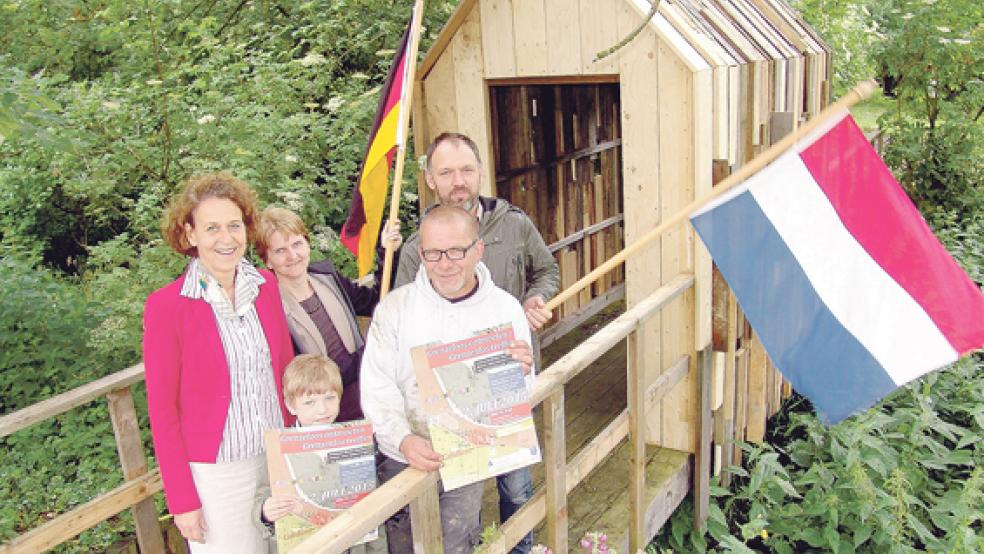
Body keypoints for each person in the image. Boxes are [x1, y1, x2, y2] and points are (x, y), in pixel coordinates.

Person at [394, 132, 559, 553]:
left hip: (509, 384)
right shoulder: (417, 249)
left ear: (481, 172)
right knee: (462, 498)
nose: (458, 181)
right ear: (430, 178)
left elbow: (547, 270)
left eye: (466, 169)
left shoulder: (515, 223)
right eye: (446, 172)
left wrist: (536, 298)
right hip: (453, 395)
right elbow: (404, 322)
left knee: (517, 486)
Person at [361, 206, 536, 554]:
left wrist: (520, 377)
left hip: (467, 457)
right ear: (421, 253)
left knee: (458, 541)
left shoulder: (505, 309)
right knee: (406, 544)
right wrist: (404, 439)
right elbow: (377, 386)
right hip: (405, 457)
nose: (445, 264)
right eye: (433, 253)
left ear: (478, 249)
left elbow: (524, 395)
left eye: (457, 251)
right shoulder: (395, 309)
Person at [143, 173, 295, 552]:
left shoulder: (265, 286)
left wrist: (300, 445)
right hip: (219, 474)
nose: (226, 239)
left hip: (278, 456)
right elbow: (162, 413)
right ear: (190, 234)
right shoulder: (167, 307)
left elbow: (285, 371)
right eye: (212, 228)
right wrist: (182, 501)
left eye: (234, 225)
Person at [255, 206, 401, 421]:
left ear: (307, 243)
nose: (293, 256)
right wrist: (370, 353)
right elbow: (302, 373)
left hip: (369, 400)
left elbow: (376, 302)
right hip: (324, 415)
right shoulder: (269, 307)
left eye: (297, 244)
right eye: (280, 251)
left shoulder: (327, 277)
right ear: (267, 260)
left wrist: (387, 253)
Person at [253, 354, 387, 553]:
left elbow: (372, 506)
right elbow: (262, 497)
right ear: (291, 405)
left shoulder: (354, 443)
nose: (322, 409)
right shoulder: (279, 449)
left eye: (329, 398)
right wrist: (265, 512)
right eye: (310, 402)